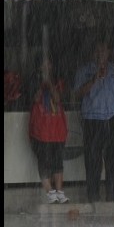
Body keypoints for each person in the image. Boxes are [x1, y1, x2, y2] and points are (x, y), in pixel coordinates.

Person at [73, 41, 114, 202]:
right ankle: (93, 194)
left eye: (104, 51)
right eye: (98, 51)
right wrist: (94, 79)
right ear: (93, 54)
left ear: (108, 53)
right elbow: (77, 93)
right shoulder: (84, 71)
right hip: (92, 119)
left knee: (113, 157)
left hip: (113, 118)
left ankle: (112, 192)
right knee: (93, 159)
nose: (101, 54)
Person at [29, 56, 69, 204]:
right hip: (41, 129)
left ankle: (59, 192)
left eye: (49, 64)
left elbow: (58, 99)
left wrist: (50, 84)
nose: (47, 67)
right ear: (39, 67)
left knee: (58, 161)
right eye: (43, 65)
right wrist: (41, 85)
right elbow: (35, 98)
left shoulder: (58, 80)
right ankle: (49, 192)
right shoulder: (34, 80)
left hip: (56, 129)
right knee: (44, 161)